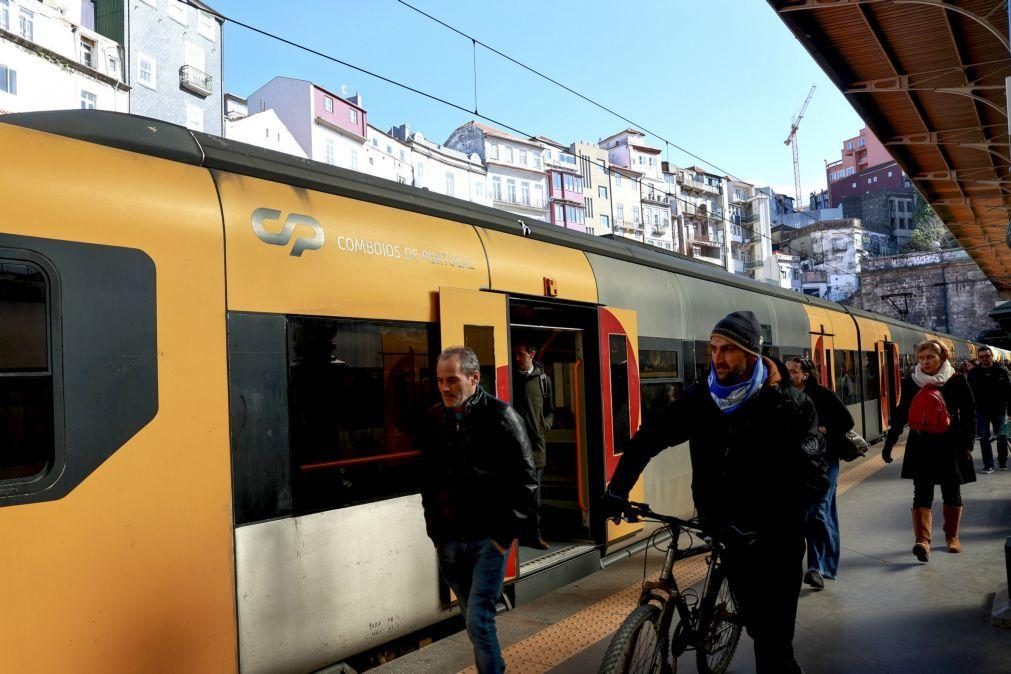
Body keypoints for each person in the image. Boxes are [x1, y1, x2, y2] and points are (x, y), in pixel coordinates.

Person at [601, 311, 821, 674]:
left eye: (728, 350)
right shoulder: (701, 399)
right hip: (722, 526)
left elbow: (813, 479)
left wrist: (767, 522)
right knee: (751, 619)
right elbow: (648, 438)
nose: (717, 358)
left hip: (775, 539)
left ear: (751, 354)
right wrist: (617, 490)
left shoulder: (789, 404)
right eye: (713, 348)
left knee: (773, 644)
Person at [419, 346, 538, 674]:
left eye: (452, 380)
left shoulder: (502, 417)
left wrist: (502, 538)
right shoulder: (434, 418)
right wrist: (436, 534)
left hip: (488, 540)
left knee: (479, 620)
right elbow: (428, 479)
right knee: (473, 621)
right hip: (449, 542)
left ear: (474, 378)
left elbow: (527, 482)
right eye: (440, 381)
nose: (444, 388)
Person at [882, 340, 975, 560]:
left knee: (952, 490)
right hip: (920, 443)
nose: (925, 362)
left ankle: (952, 536)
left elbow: (969, 414)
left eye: (930, 357)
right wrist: (890, 442)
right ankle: (922, 541)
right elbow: (901, 412)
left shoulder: (957, 380)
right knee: (921, 492)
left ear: (942, 357)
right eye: (921, 358)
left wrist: (968, 445)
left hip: (950, 443)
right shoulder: (912, 381)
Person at [787, 357, 854, 590]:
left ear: (805, 374)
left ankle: (818, 567)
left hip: (825, 461)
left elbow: (847, 421)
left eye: (794, 371)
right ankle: (819, 565)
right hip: (799, 462)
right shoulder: (785, 396)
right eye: (788, 371)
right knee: (809, 513)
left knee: (818, 510)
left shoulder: (823, 394)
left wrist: (824, 428)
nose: (790, 375)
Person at [512, 342, 555, 550]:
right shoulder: (511, 378)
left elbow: (550, 411)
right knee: (517, 493)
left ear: (531, 354)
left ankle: (535, 536)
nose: (517, 359)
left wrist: (544, 425)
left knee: (535, 497)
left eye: (520, 355)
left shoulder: (544, 380)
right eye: (516, 355)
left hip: (537, 448)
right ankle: (517, 536)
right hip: (515, 447)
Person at [966, 346, 1010, 473]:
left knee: (1001, 437)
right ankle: (988, 465)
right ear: (979, 358)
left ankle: (1002, 462)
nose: (985, 358)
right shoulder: (973, 374)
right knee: (984, 438)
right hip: (981, 411)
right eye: (982, 357)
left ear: (992, 356)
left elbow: (1009, 392)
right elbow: (969, 394)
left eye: (987, 356)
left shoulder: (1002, 371)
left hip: (999, 410)